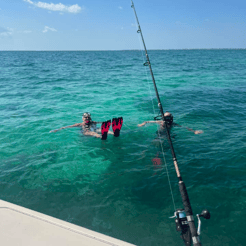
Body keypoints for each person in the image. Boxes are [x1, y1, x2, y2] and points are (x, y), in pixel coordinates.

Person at [49, 112, 114, 138]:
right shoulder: (80, 124)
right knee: (93, 133)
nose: (87, 119)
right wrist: (57, 130)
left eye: (88, 118)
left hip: (94, 129)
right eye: (85, 118)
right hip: (86, 132)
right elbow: (68, 126)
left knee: (105, 130)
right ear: (83, 119)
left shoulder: (92, 122)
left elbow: (101, 122)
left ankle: (113, 133)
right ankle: (100, 137)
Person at [138, 111, 203, 134]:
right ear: (163, 118)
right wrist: (142, 124)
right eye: (166, 118)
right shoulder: (160, 122)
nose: (167, 119)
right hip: (161, 133)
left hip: (169, 134)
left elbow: (184, 127)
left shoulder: (173, 124)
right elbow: (147, 121)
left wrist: (194, 131)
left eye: (169, 117)